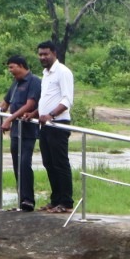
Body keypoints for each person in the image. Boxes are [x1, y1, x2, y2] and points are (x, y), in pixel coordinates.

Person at [0, 56, 42, 210]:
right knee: (16, 164)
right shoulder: (16, 83)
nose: (10, 71)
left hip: (27, 130)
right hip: (16, 131)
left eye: (12, 67)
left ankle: (28, 200)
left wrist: (10, 119)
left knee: (24, 163)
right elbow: (4, 104)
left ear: (22, 66)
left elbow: (30, 104)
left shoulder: (34, 81)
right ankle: (22, 200)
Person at [36, 39, 75, 213]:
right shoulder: (46, 73)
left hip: (58, 124)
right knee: (48, 162)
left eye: (46, 54)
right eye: (40, 54)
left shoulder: (63, 72)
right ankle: (55, 199)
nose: (42, 57)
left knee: (60, 163)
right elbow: (46, 98)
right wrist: (35, 114)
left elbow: (67, 100)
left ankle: (66, 202)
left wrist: (51, 114)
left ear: (54, 54)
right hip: (45, 125)